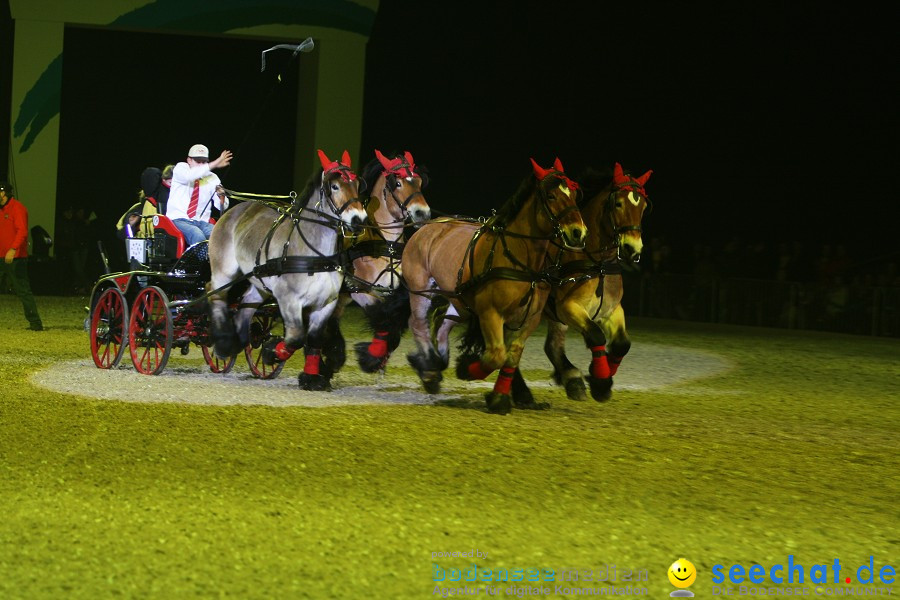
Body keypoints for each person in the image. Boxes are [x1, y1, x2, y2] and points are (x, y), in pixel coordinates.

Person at [166, 144, 232, 246]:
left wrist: (221, 197)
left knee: (221, 236)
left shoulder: (213, 178)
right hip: (178, 219)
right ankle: (201, 261)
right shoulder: (181, 168)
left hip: (202, 222)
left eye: (204, 162)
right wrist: (215, 163)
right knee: (197, 235)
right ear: (189, 160)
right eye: (198, 161)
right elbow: (190, 176)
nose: (201, 165)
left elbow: (221, 206)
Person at [0, 181, 43, 330]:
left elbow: (22, 231)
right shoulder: (1, 209)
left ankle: (35, 323)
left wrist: (13, 249)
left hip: (16, 257)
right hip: (1, 255)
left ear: (5, 193)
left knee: (23, 289)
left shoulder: (17, 208)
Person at [115, 164, 174, 241]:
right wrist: (131, 225)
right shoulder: (140, 208)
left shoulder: (177, 204)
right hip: (150, 249)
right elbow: (121, 234)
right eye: (170, 183)